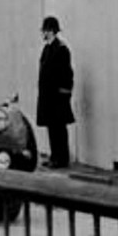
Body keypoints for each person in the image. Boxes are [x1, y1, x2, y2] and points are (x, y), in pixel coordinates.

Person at [37, 16, 75, 169]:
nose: (43, 34)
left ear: (51, 31)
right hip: (48, 96)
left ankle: (62, 159)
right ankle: (55, 156)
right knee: (52, 128)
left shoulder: (61, 49)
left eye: (45, 31)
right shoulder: (47, 48)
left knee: (59, 128)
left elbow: (67, 74)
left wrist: (63, 93)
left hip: (57, 97)